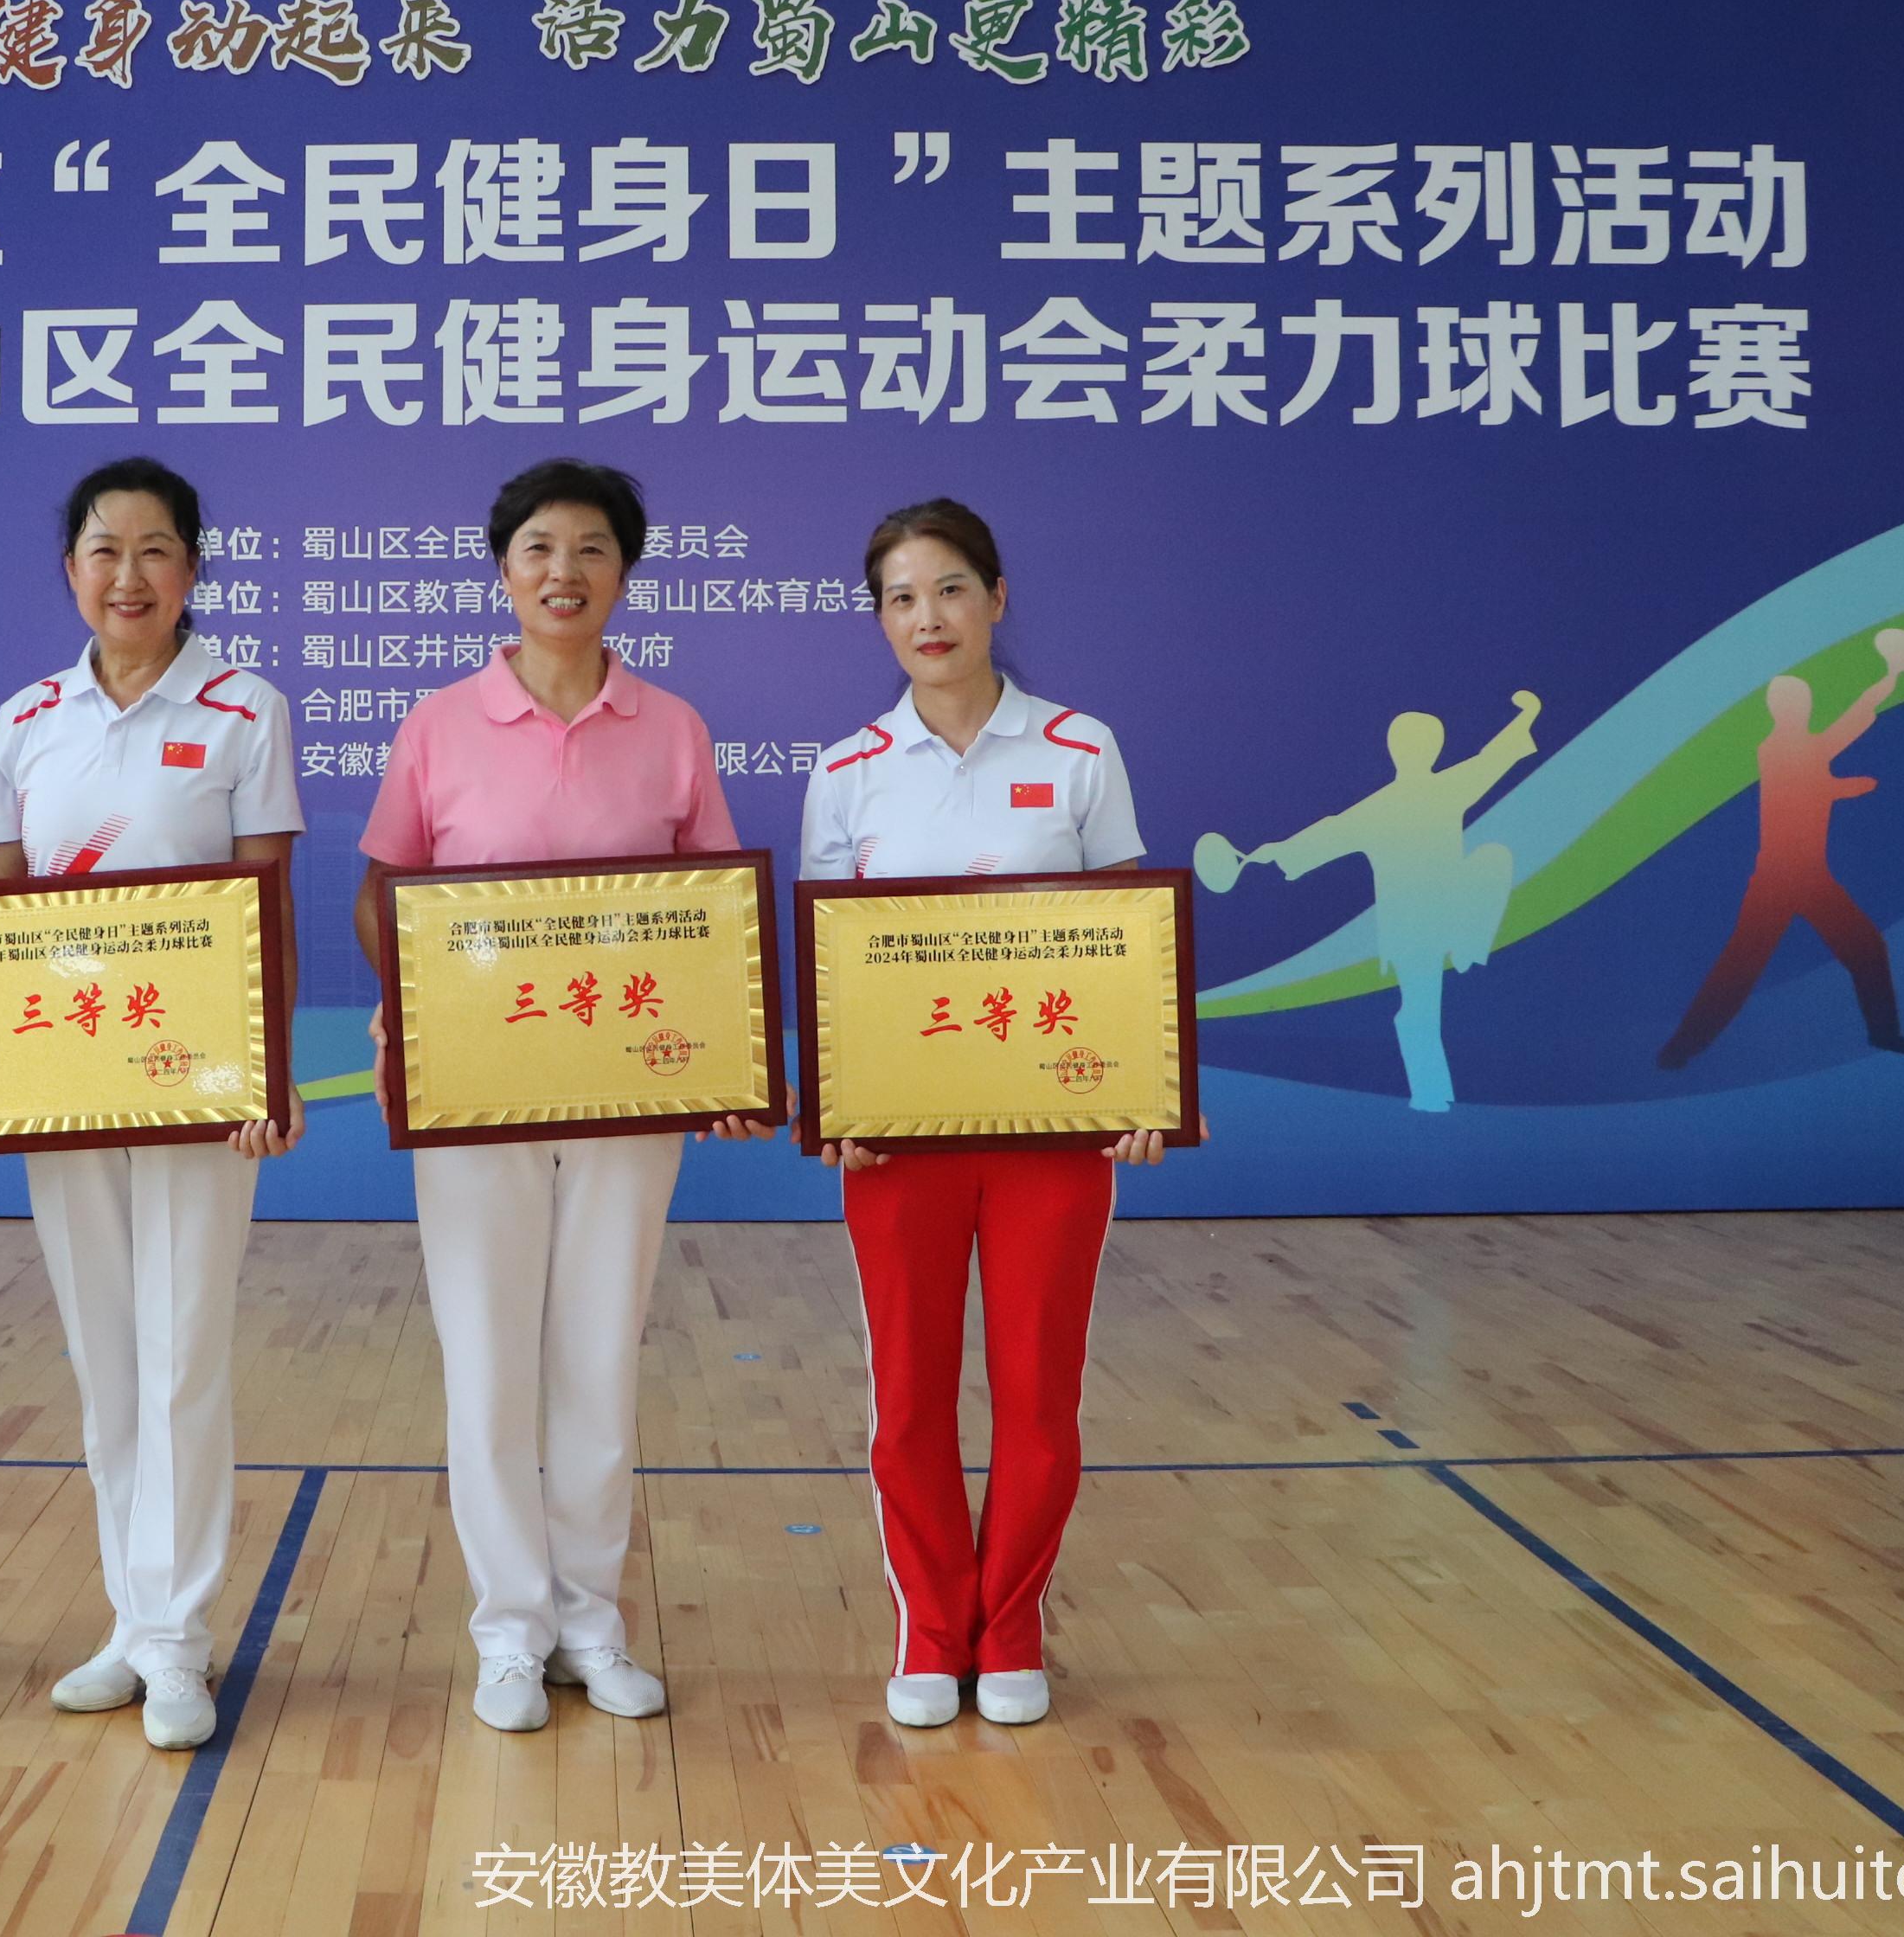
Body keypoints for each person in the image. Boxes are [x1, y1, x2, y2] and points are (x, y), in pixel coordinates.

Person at [355, 458, 776, 1735]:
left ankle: (592, 1623)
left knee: (598, 1357)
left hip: (626, 1100)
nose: (564, 571)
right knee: (487, 1364)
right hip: (476, 1096)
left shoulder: (673, 726)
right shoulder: (439, 723)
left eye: (592, 548)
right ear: (504, 569)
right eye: (539, 547)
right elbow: (382, 893)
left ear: (625, 573)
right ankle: (509, 1631)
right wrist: (416, 1007)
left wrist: (722, 1060)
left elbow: (714, 913)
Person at [0, 457, 303, 1754]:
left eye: (154, 550)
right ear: (69, 568)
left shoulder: (244, 707)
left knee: (182, 1354)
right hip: (62, 1083)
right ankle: (133, 1623)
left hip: (200, 1093)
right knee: (106, 1362)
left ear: (192, 566)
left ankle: (181, 1641)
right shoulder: (28, 718)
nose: (127, 576)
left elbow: (265, 901)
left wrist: (264, 1077)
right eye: (103, 550)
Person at [799, 497, 1177, 1733]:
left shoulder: (1078, 749)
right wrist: (836, 1103)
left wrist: (1141, 1091)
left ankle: (1011, 1624)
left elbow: (1126, 940)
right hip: (897, 1144)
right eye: (901, 598)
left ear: (998, 597)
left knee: (1038, 1394)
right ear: (878, 619)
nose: (929, 618)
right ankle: (932, 1627)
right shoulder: (846, 770)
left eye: (951, 589)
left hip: (1050, 1140)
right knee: (909, 1397)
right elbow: (829, 962)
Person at [1234, 693, 1542, 1112]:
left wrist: (1283, 851)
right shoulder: (1421, 796)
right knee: (1418, 1010)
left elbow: (1492, 760)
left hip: (1434, 919)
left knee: (1491, 862)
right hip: (1414, 925)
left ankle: (1434, 1087)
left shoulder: (1420, 795)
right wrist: (1280, 851)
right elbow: (1329, 833)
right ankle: (1433, 1092)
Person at [1656, 629, 1904, 1068]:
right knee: (1739, 969)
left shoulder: (1803, 749)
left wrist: (1846, 784)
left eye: (1804, 702)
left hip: (1812, 878)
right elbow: (1825, 761)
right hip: (1777, 881)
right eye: (1795, 703)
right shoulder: (1780, 748)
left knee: (1866, 949)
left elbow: (1824, 765)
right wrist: (1847, 784)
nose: (1802, 708)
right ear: (1782, 709)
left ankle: (1883, 1032)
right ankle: (1681, 1049)